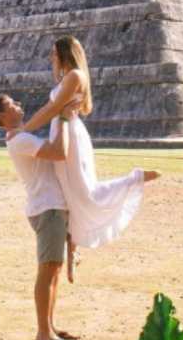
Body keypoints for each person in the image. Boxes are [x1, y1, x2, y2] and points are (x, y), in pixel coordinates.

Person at [16, 36, 159, 276]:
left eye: (54, 52)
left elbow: (52, 108)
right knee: (67, 193)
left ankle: (134, 179)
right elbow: (53, 109)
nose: (51, 57)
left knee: (83, 191)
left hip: (69, 135)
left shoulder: (74, 76)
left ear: (64, 53)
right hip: (61, 131)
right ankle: (71, 250)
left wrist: (25, 128)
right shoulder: (68, 77)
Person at [0, 92, 80, 340]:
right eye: (13, 104)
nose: (19, 105)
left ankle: (49, 325)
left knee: (55, 271)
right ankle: (43, 334)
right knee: (47, 271)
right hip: (47, 208)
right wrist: (61, 116)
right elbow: (59, 152)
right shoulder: (21, 140)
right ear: (3, 116)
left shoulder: (21, 137)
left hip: (52, 206)